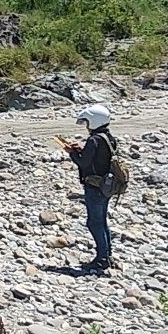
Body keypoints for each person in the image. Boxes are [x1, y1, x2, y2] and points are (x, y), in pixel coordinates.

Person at [67, 104, 118, 271]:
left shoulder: (94, 140)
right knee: (102, 222)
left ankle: (102, 258)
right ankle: (107, 255)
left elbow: (83, 162)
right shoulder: (108, 137)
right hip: (107, 186)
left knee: (94, 223)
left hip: (94, 186)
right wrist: (81, 150)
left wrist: (72, 152)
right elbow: (99, 158)